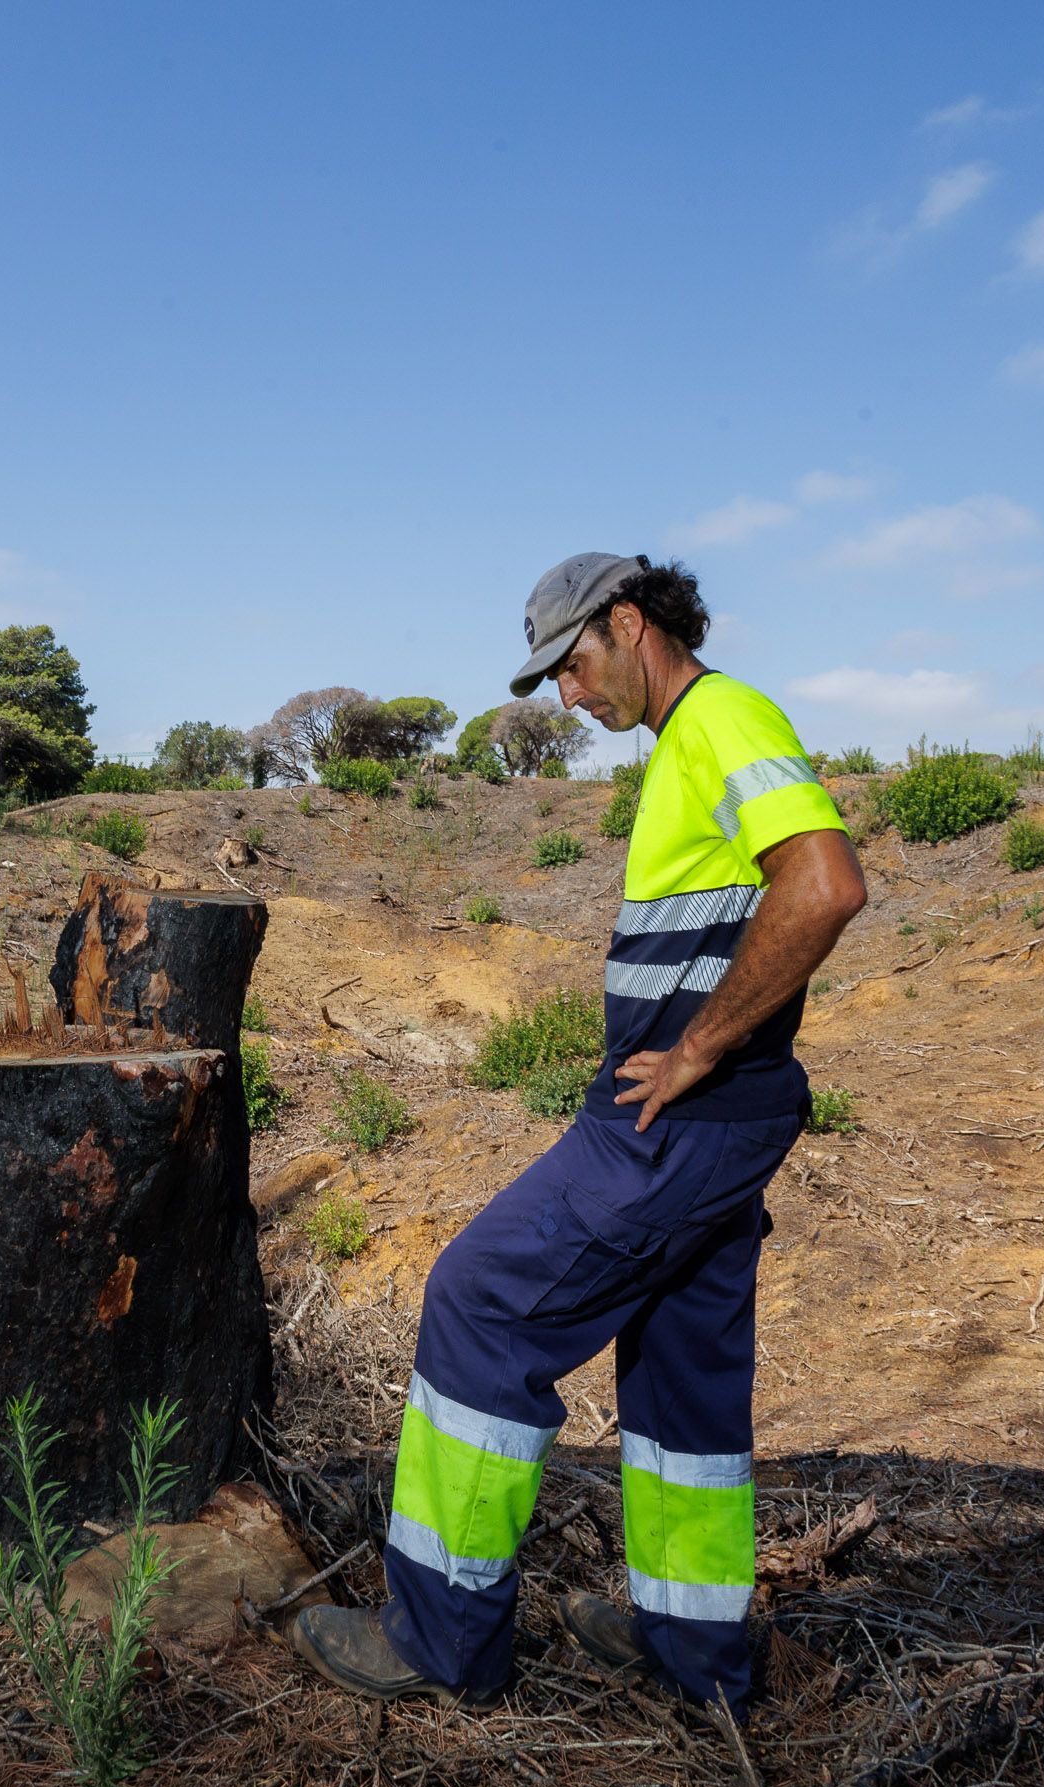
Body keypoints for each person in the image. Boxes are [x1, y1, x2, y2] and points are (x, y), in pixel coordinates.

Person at [285, 552, 867, 1723]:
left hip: (671, 1124)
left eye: (574, 662)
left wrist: (698, 1047)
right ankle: (693, 1652)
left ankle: (442, 1638)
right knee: (683, 1373)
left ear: (631, 623)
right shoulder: (696, 738)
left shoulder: (721, 718)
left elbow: (825, 883)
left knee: (477, 1303)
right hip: (721, 1126)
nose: (566, 694)